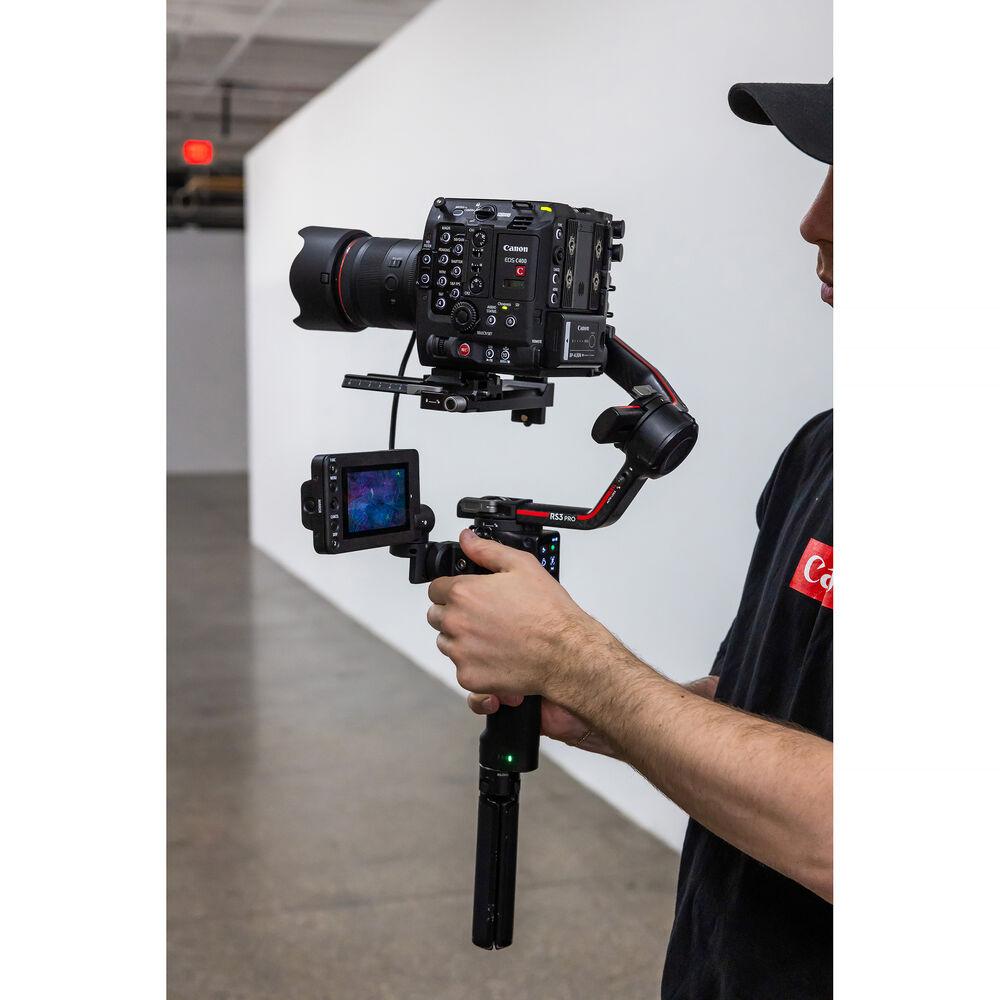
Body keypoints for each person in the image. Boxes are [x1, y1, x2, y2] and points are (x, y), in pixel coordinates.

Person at [426, 79, 833, 999]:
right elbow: (763, 702)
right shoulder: (826, 448)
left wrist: (580, 661)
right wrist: (605, 710)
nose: (813, 222)